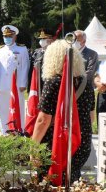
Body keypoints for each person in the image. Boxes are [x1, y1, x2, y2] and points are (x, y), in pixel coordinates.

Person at [31, 39, 94, 183]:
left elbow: (43, 119)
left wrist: (32, 147)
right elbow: (91, 117)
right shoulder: (86, 83)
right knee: (71, 181)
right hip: (81, 141)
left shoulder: (54, 82)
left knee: (50, 183)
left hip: (56, 142)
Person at [0, 25, 29, 134]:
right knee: (3, 109)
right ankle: (3, 131)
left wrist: (23, 83)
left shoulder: (22, 49)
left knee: (19, 107)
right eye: (5, 36)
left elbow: (25, 67)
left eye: (9, 36)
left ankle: (19, 129)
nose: (7, 38)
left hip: (17, 86)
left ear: (15, 36)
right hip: (3, 85)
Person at [74, 30, 99, 122]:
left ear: (83, 41)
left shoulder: (92, 54)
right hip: (70, 89)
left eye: (77, 39)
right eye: (73, 38)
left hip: (85, 89)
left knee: (85, 118)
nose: (74, 41)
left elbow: (90, 72)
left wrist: (76, 81)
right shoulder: (68, 52)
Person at [30, 29, 52, 94]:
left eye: (44, 39)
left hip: (49, 82)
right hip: (37, 82)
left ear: (50, 39)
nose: (42, 41)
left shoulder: (54, 52)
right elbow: (31, 69)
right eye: (41, 39)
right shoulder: (36, 52)